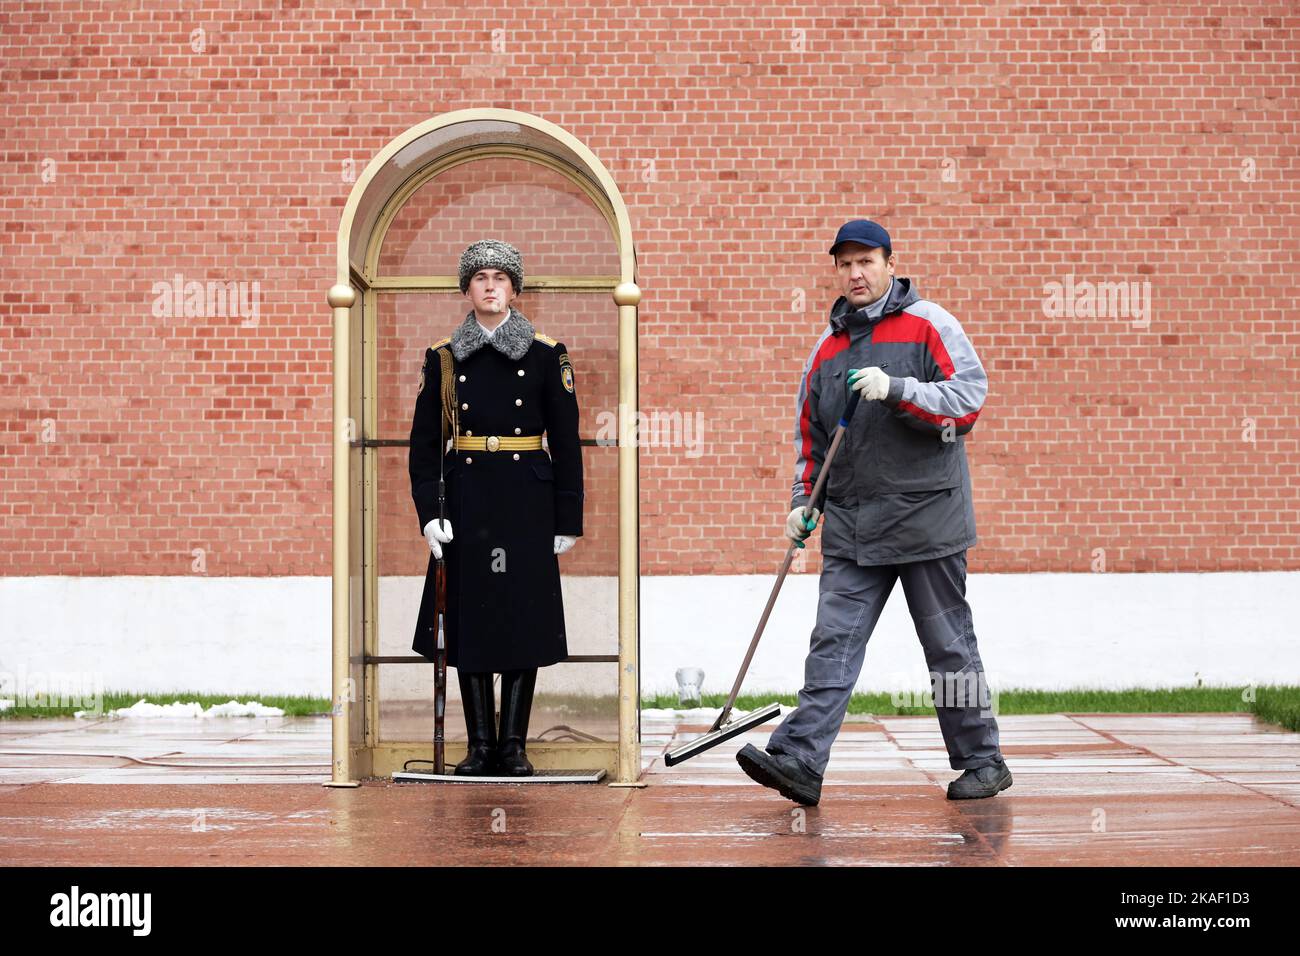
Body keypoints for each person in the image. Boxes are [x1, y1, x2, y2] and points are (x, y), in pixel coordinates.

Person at [736, 220, 1011, 805]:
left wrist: (900, 390)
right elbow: (813, 440)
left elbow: (968, 401)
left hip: (928, 521)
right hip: (854, 529)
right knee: (831, 644)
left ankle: (982, 761)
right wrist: (801, 505)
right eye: (845, 264)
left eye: (867, 261)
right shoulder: (827, 348)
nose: (856, 273)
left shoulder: (930, 324)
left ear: (890, 264)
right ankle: (800, 760)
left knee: (949, 650)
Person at [408, 239, 584, 777]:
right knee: (470, 620)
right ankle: (480, 745)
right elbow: (423, 445)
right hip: (467, 497)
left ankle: (514, 745)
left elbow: (567, 439)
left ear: (514, 288)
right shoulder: (444, 357)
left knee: (520, 619)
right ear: (467, 288)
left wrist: (567, 517)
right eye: (480, 277)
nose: (490, 286)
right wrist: (429, 512)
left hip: (525, 500)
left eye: (500, 278)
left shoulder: (544, 353)